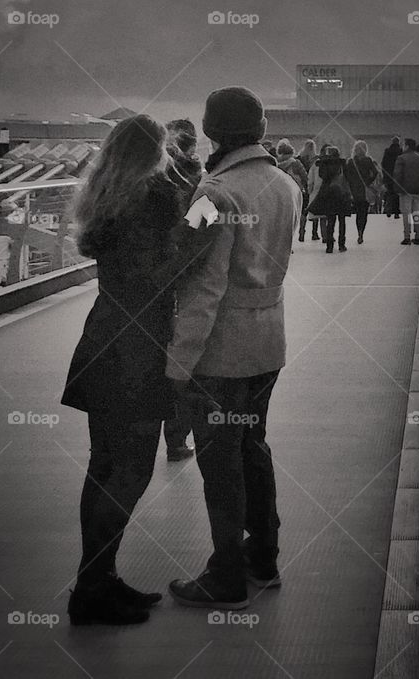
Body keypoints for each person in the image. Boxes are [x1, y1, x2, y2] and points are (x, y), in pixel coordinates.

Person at [166, 87, 301, 610]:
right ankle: (263, 558)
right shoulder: (287, 185)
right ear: (261, 129)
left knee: (220, 463)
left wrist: (178, 363)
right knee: (253, 447)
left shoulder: (213, 195)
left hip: (221, 352)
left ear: (210, 132)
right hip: (269, 341)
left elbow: (200, 285)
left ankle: (224, 578)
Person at [62, 115, 181, 626]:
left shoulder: (104, 195)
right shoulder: (156, 196)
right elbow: (160, 273)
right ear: (156, 150)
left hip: (103, 334)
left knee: (103, 464)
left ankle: (99, 578)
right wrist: (199, 239)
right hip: (141, 346)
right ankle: (92, 587)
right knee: (133, 469)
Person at [163, 118, 203, 462]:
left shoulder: (150, 179)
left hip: (155, 283)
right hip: (189, 280)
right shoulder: (203, 181)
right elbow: (200, 229)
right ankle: (177, 438)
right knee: (186, 357)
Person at [308, 145, 352, 253]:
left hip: (329, 194)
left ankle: (329, 245)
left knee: (330, 220)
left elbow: (322, 176)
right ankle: (341, 244)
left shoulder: (324, 164)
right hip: (341, 194)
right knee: (342, 221)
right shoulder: (342, 164)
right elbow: (348, 178)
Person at [392, 138, 419, 245]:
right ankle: (418, 236)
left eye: (403, 145)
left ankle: (407, 236)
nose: (402, 147)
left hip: (405, 191)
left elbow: (397, 175)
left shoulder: (401, 158)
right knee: (416, 212)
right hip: (418, 190)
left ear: (407, 146)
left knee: (406, 214)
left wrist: (397, 189)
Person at [343, 140, 379, 244]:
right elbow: (375, 172)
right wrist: (368, 181)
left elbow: (346, 175)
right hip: (364, 189)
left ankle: (358, 230)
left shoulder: (350, 161)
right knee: (363, 213)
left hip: (354, 190)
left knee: (358, 212)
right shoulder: (368, 160)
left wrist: (351, 183)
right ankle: (361, 232)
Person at [276, 139, 309, 243]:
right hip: (296, 192)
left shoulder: (276, 164)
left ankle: (283, 238)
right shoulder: (296, 163)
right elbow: (305, 177)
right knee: (301, 213)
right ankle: (301, 230)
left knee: (283, 216)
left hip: (280, 193)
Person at [299, 140, 320, 240]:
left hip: (303, 188)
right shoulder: (316, 159)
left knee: (303, 211)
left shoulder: (300, 158)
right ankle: (314, 233)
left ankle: (301, 232)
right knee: (315, 211)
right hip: (313, 188)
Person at [380, 136, 403, 218]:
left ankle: (388, 209)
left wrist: (385, 175)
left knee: (390, 193)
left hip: (389, 176)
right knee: (397, 195)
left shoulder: (387, 151)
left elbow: (383, 164)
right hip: (398, 177)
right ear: (398, 142)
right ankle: (396, 212)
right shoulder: (401, 152)